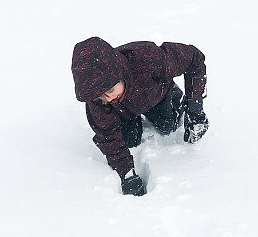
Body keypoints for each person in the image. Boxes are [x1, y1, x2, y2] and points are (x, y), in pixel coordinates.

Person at [71, 36, 209, 196]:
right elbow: (108, 136)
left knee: (169, 125)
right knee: (130, 141)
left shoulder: (147, 59)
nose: (108, 99)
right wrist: (127, 174)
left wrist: (195, 108)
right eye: (101, 96)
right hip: (123, 112)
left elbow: (194, 59)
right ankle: (134, 119)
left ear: (120, 74)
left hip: (155, 95)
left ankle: (173, 98)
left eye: (109, 91)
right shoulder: (98, 99)